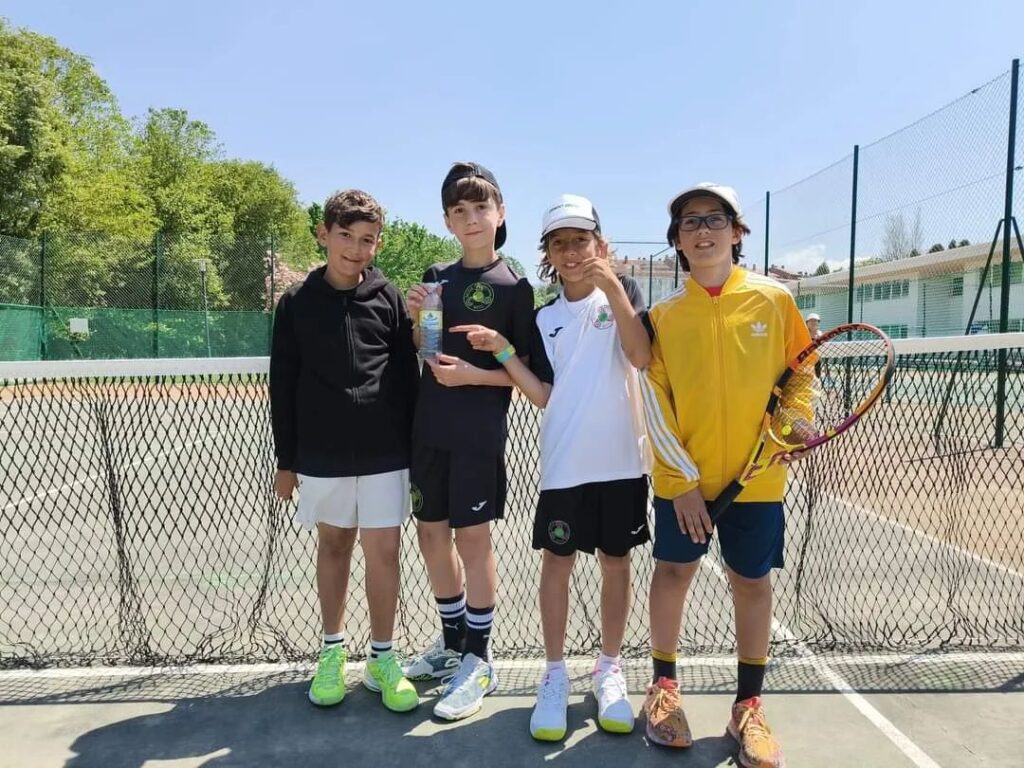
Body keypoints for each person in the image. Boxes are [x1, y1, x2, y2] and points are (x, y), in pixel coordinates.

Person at [451, 194, 652, 741]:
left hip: (622, 466)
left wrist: (613, 287)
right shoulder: (543, 318)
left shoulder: (625, 296)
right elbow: (542, 394)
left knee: (616, 564)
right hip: (564, 466)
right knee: (557, 566)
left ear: (600, 244)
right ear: (548, 253)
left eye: (580, 240)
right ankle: (556, 674)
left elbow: (640, 357)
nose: (571, 252)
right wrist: (500, 350)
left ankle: (609, 669)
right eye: (559, 243)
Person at [640, 183, 811, 768]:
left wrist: (794, 424)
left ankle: (749, 706)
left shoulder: (773, 300)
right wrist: (680, 480)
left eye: (714, 219)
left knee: (751, 583)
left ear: (738, 232)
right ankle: (663, 691)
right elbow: (655, 400)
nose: (702, 230)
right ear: (678, 242)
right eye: (689, 222)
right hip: (683, 483)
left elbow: (799, 375)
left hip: (758, 478)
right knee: (672, 575)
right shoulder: (662, 317)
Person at [269, 189, 420, 713]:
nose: (357, 250)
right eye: (346, 237)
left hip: (386, 453)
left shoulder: (389, 297)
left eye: (368, 240)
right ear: (323, 234)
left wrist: (415, 449)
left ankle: (382, 657)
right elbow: (282, 385)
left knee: (384, 552)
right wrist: (286, 463)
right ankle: (332, 652)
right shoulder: (295, 304)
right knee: (334, 547)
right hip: (323, 454)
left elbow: (407, 376)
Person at [402, 162, 535, 721]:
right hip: (427, 430)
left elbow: (527, 376)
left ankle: (479, 658)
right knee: (432, 537)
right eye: (460, 210)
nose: (471, 217)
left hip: (478, 436)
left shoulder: (515, 286)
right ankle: (452, 643)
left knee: (472, 541)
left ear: (500, 215)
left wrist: (474, 374)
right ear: (448, 221)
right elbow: (424, 350)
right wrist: (417, 319)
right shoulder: (437, 275)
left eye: (481, 207)